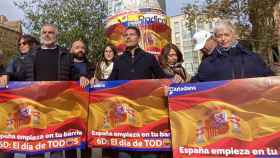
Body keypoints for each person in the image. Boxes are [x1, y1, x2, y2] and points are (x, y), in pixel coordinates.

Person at [192, 20, 273, 82]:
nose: (223, 39)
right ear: (215, 38)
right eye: (219, 36)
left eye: (226, 35)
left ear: (234, 35)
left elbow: (270, 80)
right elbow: (197, 85)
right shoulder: (207, 64)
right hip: (222, 103)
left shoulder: (253, 58)